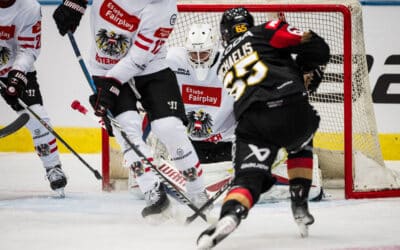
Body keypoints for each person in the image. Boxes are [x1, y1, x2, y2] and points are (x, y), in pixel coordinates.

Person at [52, 0, 209, 220]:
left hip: (150, 66)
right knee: (127, 129)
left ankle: (197, 191)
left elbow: (138, 58)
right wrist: (74, 2)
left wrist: (109, 88)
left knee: (169, 127)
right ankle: (153, 192)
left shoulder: (165, 9)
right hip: (104, 66)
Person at [196, 7, 330, 249]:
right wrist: (305, 67)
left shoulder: (224, 60)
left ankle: (231, 215)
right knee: (300, 142)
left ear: (224, 34)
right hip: (293, 109)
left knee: (248, 179)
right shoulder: (265, 31)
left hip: (253, 124)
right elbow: (318, 48)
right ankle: (299, 203)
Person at [0, 0, 67, 196]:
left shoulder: (30, 7)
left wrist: (17, 74)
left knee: (38, 117)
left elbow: (29, 49)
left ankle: (53, 167)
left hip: (15, 68)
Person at [166, 23, 236, 164]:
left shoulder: (232, 62)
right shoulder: (173, 60)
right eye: (193, 54)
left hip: (227, 143)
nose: (198, 59)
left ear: (214, 48)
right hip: (188, 145)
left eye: (203, 53)